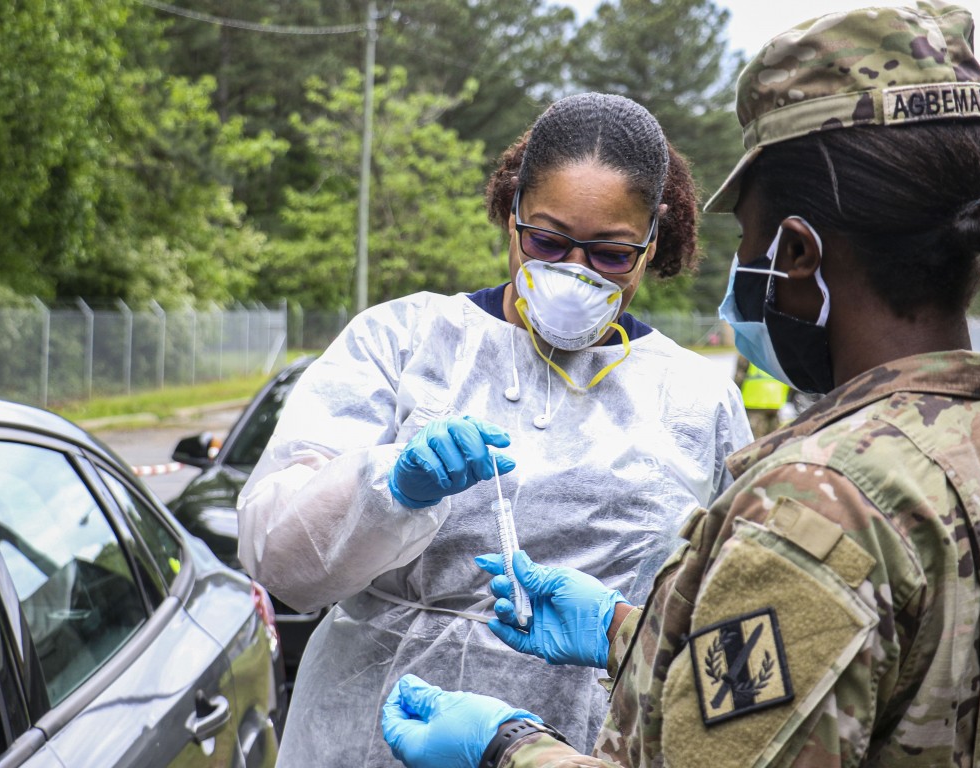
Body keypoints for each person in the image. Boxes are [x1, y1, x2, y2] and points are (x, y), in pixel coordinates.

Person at [380, 3, 980, 767]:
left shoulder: (818, 503)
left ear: (799, 253)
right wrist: (626, 629)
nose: (742, 266)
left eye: (748, 239)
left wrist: (505, 748)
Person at [237, 92, 753, 766]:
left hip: (581, 745)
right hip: (370, 735)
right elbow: (278, 558)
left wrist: (616, 632)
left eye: (610, 255)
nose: (574, 273)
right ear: (511, 217)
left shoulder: (697, 400)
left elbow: (735, 622)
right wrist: (387, 488)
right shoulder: (403, 341)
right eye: (547, 241)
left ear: (651, 243)